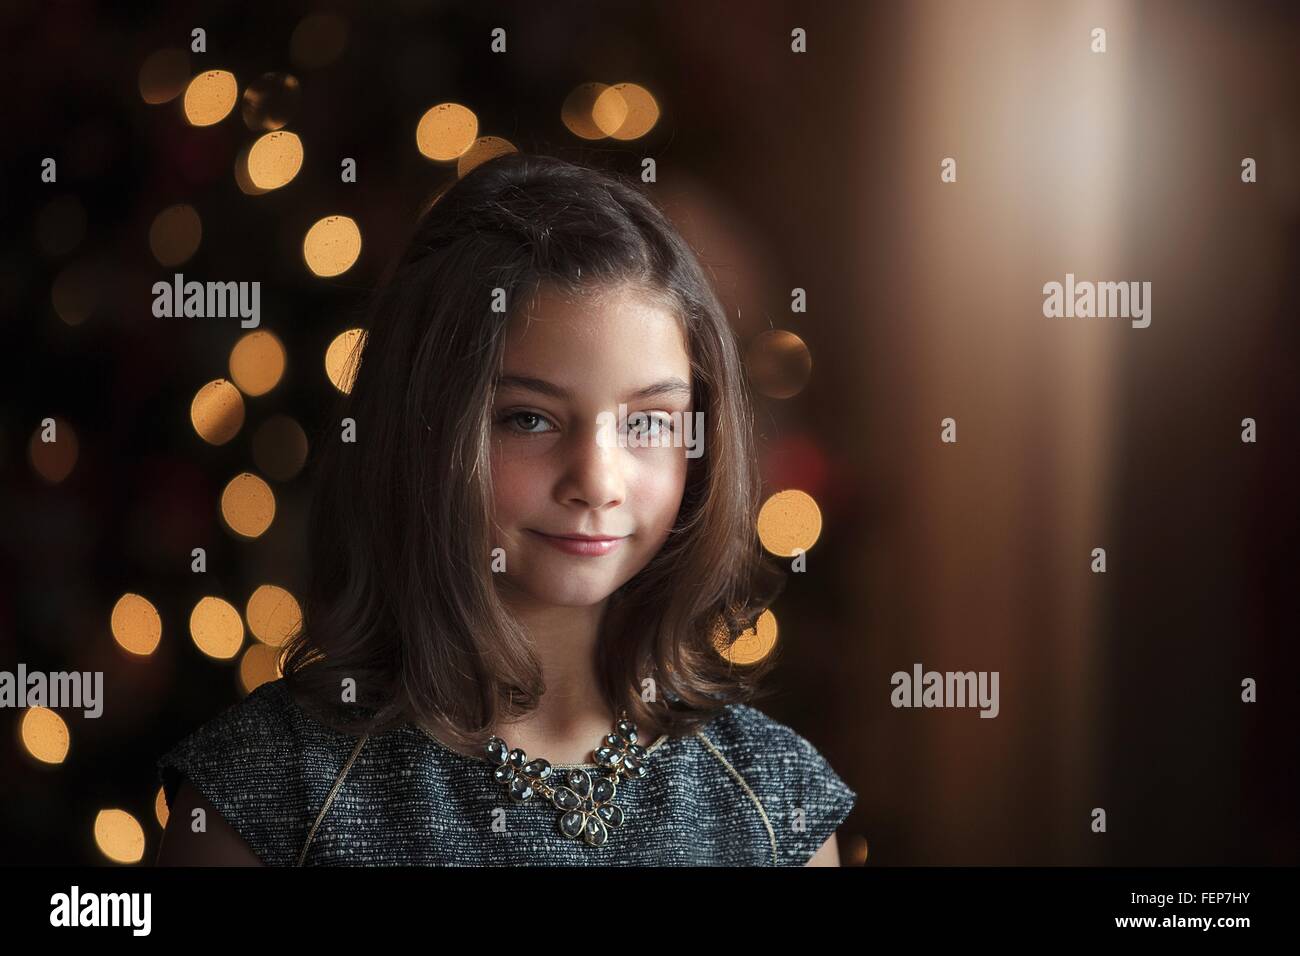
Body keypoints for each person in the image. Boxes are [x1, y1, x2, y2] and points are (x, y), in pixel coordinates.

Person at [156, 151, 856, 866]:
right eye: (529, 419)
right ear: (425, 429)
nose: (597, 482)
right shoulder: (269, 794)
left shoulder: (776, 803)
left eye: (647, 422)